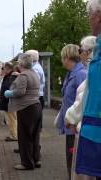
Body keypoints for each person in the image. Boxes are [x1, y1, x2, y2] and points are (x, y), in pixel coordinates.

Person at [69, 1, 101, 178]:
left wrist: (72, 118)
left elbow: (86, 95)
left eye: (90, 15)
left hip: (92, 136)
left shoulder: (92, 65)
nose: (89, 19)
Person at [65, 36, 96, 180]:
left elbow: (84, 98)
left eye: (81, 50)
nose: (80, 53)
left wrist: (70, 118)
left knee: (84, 174)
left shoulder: (90, 71)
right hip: (87, 128)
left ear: (89, 51)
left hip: (88, 130)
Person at [4, 53, 41, 170]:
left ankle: (27, 163)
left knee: (25, 137)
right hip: (36, 106)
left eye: (18, 62)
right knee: (34, 136)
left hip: (26, 108)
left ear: (21, 64)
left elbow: (20, 92)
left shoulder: (23, 76)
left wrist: (9, 93)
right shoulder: (33, 73)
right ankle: (35, 159)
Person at [56, 44, 87, 179]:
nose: (62, 61)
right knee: (70, 161)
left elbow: (83, 102)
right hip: (70, 127)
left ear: (68, 57)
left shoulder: (81, 74)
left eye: (63, 57)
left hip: (76, 129)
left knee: (74, 164)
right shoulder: (71, 74)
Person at [0, 62, 18, 142]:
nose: (3, 70)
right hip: (7, 102)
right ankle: (12, 135)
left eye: (4, 68)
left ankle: (14, 136)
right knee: (10, 120)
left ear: (8, 68)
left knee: (12, 120)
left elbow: (9, 88)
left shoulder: (11, 76)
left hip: (9, 103)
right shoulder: (8, 76)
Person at [25, 50, 46, 124]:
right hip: (38, 97)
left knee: (33, 123)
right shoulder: (36, 67)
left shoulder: (35, 69)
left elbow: (32, 84)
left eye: (26, 57)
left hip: (35, 98)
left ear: (31, 58)